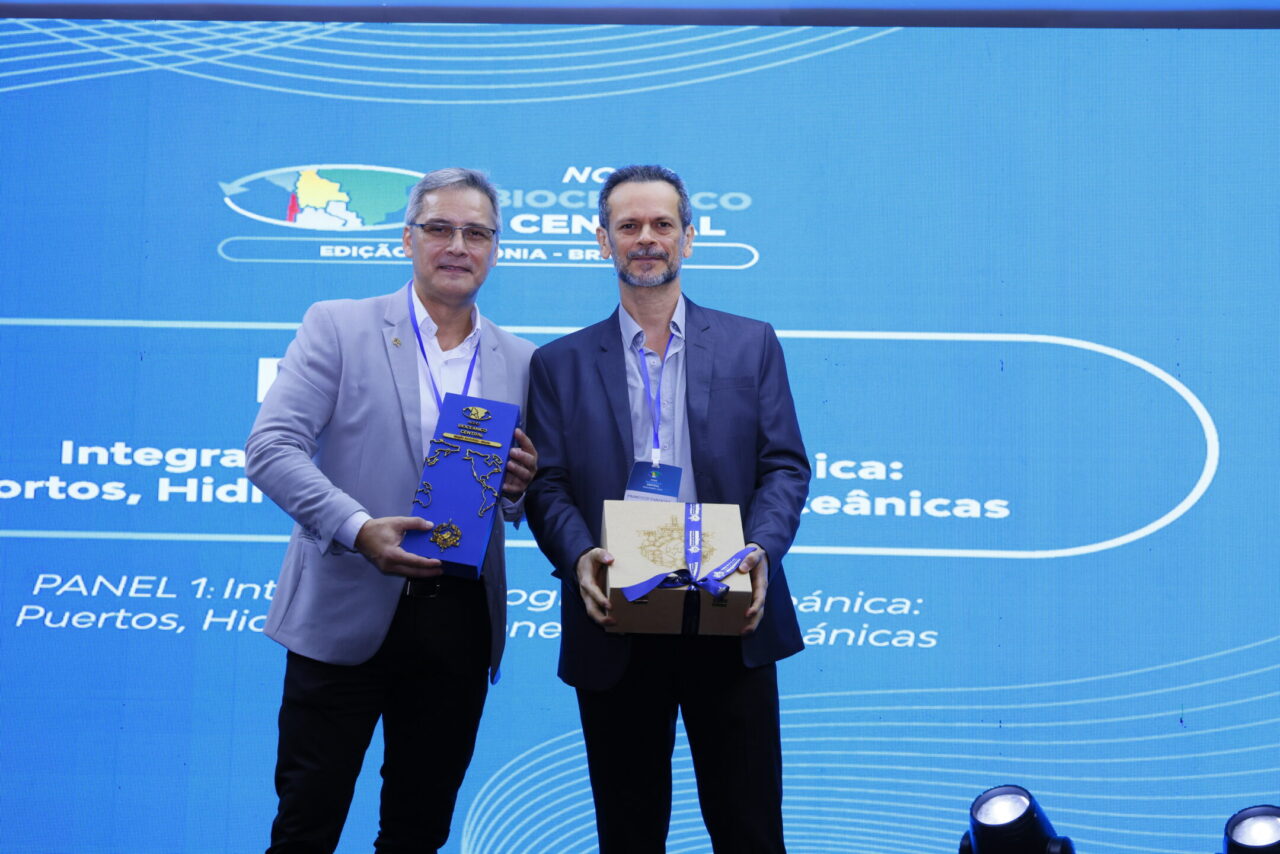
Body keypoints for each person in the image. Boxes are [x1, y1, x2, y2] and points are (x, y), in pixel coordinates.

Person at [245, 167, 537, 854]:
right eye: (440, 228)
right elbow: (271, 447)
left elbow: (523, 497)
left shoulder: (522, 360)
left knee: (418, 832)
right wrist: (357, 529)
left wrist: (520, 486)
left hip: (458, 622)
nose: (458, 246)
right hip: (345, 605)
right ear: (407, 239)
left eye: (476, 233)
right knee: (305, 826)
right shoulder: (338, 326)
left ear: (495, 249)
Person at [525, 164, 809, 853]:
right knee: (628, 835)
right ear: (603, 241)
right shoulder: (558, 364)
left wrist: (761, 549)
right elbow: (546, 485)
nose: (646, 239)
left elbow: (784, 466)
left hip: (730, 612)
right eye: (629, 226)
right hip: (615, 620)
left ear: (689, 236)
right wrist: (580, 556)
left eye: (661, 224)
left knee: (750, 833)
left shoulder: (751, 343)